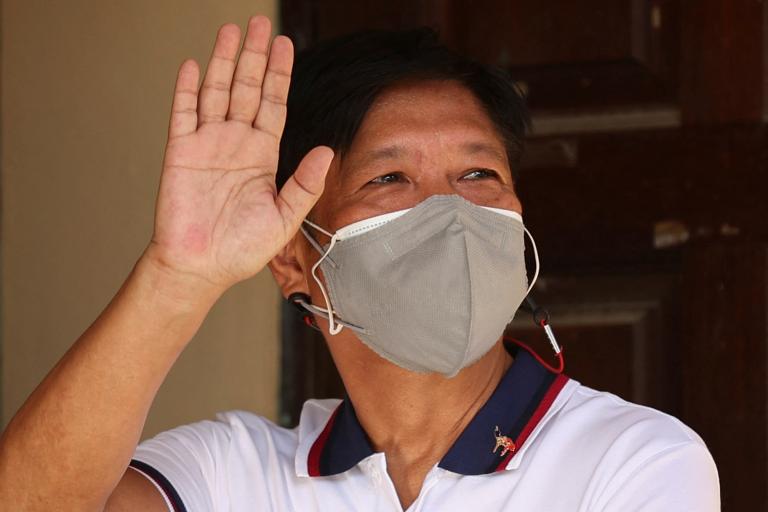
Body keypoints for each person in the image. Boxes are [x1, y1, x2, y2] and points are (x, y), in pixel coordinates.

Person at [0, 14, 719, 511]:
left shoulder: (633, 459)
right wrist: (180, 275)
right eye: (389, 180)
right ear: (293, 260)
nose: (452, 212)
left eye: (478, 176)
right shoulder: (235, 472)